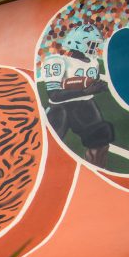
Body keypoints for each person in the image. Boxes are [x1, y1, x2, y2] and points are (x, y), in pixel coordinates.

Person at [42, 24, 115, 168]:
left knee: (100, 146)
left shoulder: (93, 63)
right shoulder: (57, 61)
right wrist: (85, 91)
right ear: (77, 43)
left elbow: (89, 87)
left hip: (86, 106)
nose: (94, 48)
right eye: (91, 44)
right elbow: (54, 95)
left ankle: (95, 178)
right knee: (48, 149)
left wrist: (98, 87)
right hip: (60, 109)